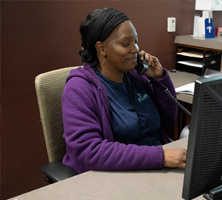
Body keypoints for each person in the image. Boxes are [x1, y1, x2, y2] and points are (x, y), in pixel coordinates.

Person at [62, 7, 187, 174]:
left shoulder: (136, 77)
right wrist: (160, 156)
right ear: (101, 49)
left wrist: (158, 80)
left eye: (136, 41)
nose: (135, 49)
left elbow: (168, 120)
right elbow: (88, 151)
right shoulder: (79, 89)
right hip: (113, 175)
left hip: (154, 167)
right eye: (126, 44)